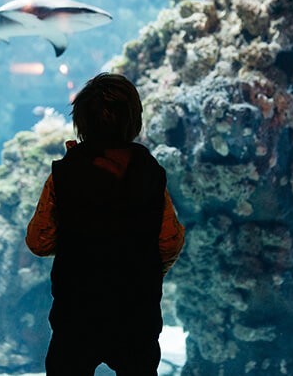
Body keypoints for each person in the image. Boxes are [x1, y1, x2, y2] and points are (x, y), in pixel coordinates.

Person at [26, 73, 185, 375]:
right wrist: (146, 268)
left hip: (76, 315)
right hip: (137, 314)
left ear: (81, 122)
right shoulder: (150, 174)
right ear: (135, 121)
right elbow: (169, 241)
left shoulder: (64, 173)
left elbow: (39, 241)